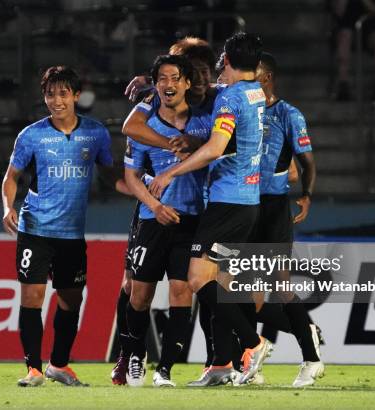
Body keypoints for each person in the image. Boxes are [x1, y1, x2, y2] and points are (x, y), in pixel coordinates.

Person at [149, 32, 272, 387]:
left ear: (228, 61)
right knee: (221, 283)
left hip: (227, 202)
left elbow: (217, 147)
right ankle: (221, 365)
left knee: (198, 278)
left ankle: (253, 343)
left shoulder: (231, 98)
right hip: (248, 202)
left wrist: (170, 171)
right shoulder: (255, 93)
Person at [1, 66, 125, 387]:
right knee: (33, 297)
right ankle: (33, 368)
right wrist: (7, 207)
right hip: (35, 229)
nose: (57, 101)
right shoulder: (31, 135)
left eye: (63, 93)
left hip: (71, 234)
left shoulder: (95, 134)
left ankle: (59, 365)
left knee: (71, 299)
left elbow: (112, 175)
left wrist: (141, 191)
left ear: (76, 95)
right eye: (50, 94)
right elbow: (11, 178)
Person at [111, 36, 218, 385]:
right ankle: (132, 354)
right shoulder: (147, 113)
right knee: (136, 292)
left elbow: (218, 149)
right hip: (151, 218)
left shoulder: (209, 115)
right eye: (164, 77)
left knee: (182, 291)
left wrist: (196, 146)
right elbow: (130, 174)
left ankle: (167, 369)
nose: (171, 83)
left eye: (181, 75)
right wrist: (154, 205)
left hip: (193, 219)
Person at [251, 52, 325, 387]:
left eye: (251, 75)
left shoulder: (287, 114)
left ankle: (311, 359)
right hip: (241, 206)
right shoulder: (239, 110)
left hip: (273, 207)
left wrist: (306, 195)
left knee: (280, 286)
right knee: (241, 291)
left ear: (265, 77)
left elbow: (307, 162)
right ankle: (250, 362)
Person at [330, 0, 375, 100]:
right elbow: (338, 12)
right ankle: (343, 84)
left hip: (371, 31)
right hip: (348, 29)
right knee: (344, 36)